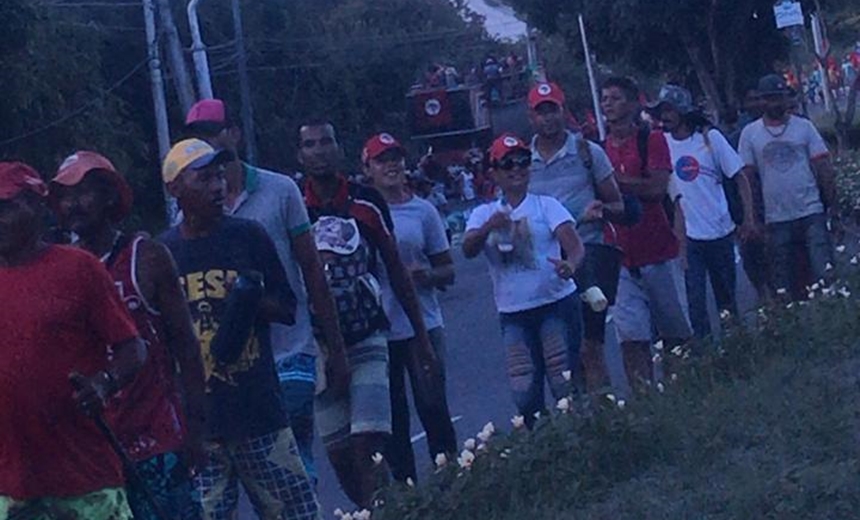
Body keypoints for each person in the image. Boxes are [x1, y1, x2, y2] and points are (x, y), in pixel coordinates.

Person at [184, 99, 348, 485]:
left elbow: (310, 269)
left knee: (290, 458)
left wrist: (335, 349)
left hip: (291, 351)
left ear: (234, 134)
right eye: (197, 138)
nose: (208, 144)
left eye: (214, 133)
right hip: (232, 368)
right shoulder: (188, 216)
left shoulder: (280, 191)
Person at [158, 139, 320, 520]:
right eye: (204, 179)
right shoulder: (162, 253)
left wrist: (250, 299)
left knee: (296, 513)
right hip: (200, 428)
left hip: (258, 414)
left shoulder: (248, 236)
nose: (217, 187)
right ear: (175, 189)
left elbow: (287, 308)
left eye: (219, 177)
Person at [50, 151, 207, 519]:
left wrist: (198, 433)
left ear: (109, 196)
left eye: (83, 192)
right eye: (65, 196)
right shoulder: (59, 270)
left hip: (157, 442)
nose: (74, 204)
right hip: (95, 452)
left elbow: (186, 346)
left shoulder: (147, 257)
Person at [298, 120, 438, 507]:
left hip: (367, 335)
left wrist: (422, 338)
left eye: (326, 142)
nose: (319, 150)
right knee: (340, 454)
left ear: (338, 149)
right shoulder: (295, 206)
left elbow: (395, 269)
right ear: (301, 155)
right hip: (320, 346)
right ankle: (375, 510)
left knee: (368, 440)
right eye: (310, 145)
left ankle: (390, 509)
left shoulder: (366, 202)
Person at [0, 162, 146, 519]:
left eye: (5, 208)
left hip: (86, 480)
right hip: (11, 487)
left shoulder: (78, 268)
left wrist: (104, 384)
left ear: (36, 206)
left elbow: (133, 348)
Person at [462, 134, 585, 425]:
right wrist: (487, 229)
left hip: (555, 303)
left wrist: (570, 264)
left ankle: (580, 440)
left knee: (564, 381)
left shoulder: (546, 205)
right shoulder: (484, 212)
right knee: (524, 390)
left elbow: (575, 245)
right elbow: (468, 249)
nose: (516, 169)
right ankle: (540, 450)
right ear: (494, 172)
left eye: (522, 162)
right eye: (507, 164)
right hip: (514, 314)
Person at [362, 133, 458, 482]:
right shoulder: (361, 212)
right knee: (393, 420)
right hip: (379, 330)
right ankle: (407, 492)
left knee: (433, 407)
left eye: (396, 158)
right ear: (367, 168)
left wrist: (427, 275)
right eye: (382, 160)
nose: (391, 166)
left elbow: (448, 268)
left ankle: (452, 481)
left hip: (423, 324)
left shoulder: (423, 210)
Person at [527, 81, 625, 392]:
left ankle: (607, 416)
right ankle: (584, 421)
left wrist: (602, 209)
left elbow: (618, 204)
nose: (548, 118)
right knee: (562, 355)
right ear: (532, 117)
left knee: (590, 347)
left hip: (588, 256)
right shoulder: (522, 162)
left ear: (562, 110)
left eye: (553, 110)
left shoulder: (587, 152)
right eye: (541, 112)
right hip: (545, 265)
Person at [600, 77, 693, 389]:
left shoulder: (651, 140)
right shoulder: (599, 150)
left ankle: (682, 394)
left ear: (632, 104)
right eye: (605, 98)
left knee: (675, 334)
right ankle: (645, 403)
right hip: (620, 258)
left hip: (659, 252)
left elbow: (656, 188)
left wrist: (611, 182)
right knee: (631, 338)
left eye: (615, 98)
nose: (608, 104)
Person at [648, 85, 758, 339]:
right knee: (695, 305)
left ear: (683, 112)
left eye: (669, 110)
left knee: (727, 302)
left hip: (719, 231)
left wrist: (748, 218)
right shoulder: (660, 144)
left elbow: (739, 176)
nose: (664, 116)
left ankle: (738, 351)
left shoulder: (710, 139)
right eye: (661, 111)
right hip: (687, 240)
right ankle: (706, 361)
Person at [738, 74, 840, 299]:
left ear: (786, 98)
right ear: (761, 101)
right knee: (783, 283)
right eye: (770, 98)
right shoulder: (750, 134)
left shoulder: (804, 127)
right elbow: (748, 180)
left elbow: (823, 168)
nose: (775, 104)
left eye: (779, 98)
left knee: (825, 274)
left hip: (811, 211)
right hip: (776, 219)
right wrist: (752, 219)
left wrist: (832, 206)